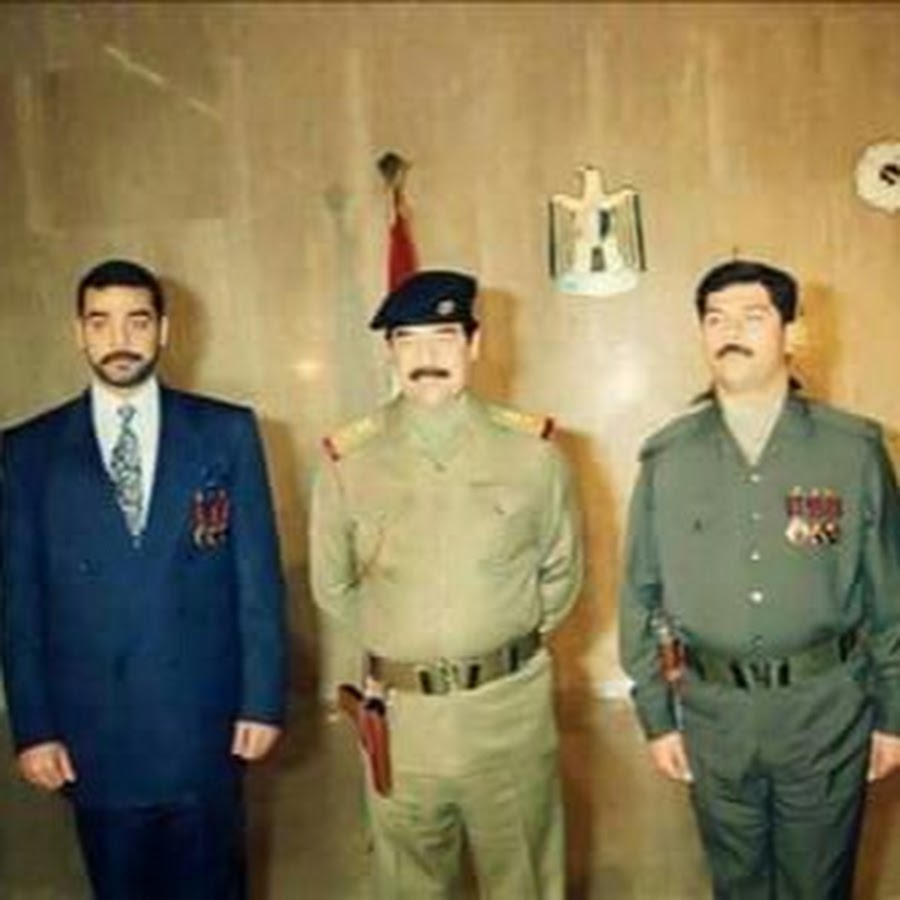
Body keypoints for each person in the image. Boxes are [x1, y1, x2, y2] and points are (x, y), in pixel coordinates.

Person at [0, 258, 288, 899]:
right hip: (96, 733)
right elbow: (20, 602)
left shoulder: (225, 432)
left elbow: (258, 580)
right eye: (100, 322)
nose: (119, 339)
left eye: (137, 321)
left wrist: (262, 700)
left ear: (164, 330)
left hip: (203, 724)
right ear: (78, 333)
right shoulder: (29, 451)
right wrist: (34, 727)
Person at [619, 258, 900, 898]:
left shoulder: (851, 450)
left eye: (753, 317)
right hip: (713, 715)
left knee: (817, 884)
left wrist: (895, 714)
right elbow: (638, 593)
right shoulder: (668, 458)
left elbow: (891, 595)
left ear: (791, 332)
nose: (731, 333)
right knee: (735, 883)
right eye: (716, 319)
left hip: (824, 711)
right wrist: (658, 718)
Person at [309, 269, 583, 899]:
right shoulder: (350, 460)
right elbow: (333, 586)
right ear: (389, 352)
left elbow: (562, 573)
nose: (425, 356)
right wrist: (405, 645)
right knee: (409, 885)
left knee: (525, 882)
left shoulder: (533, 453)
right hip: (404, 722)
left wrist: (493, 639)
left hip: (508, 715)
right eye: (407, 340)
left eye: (443, 337)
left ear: (475, 344)